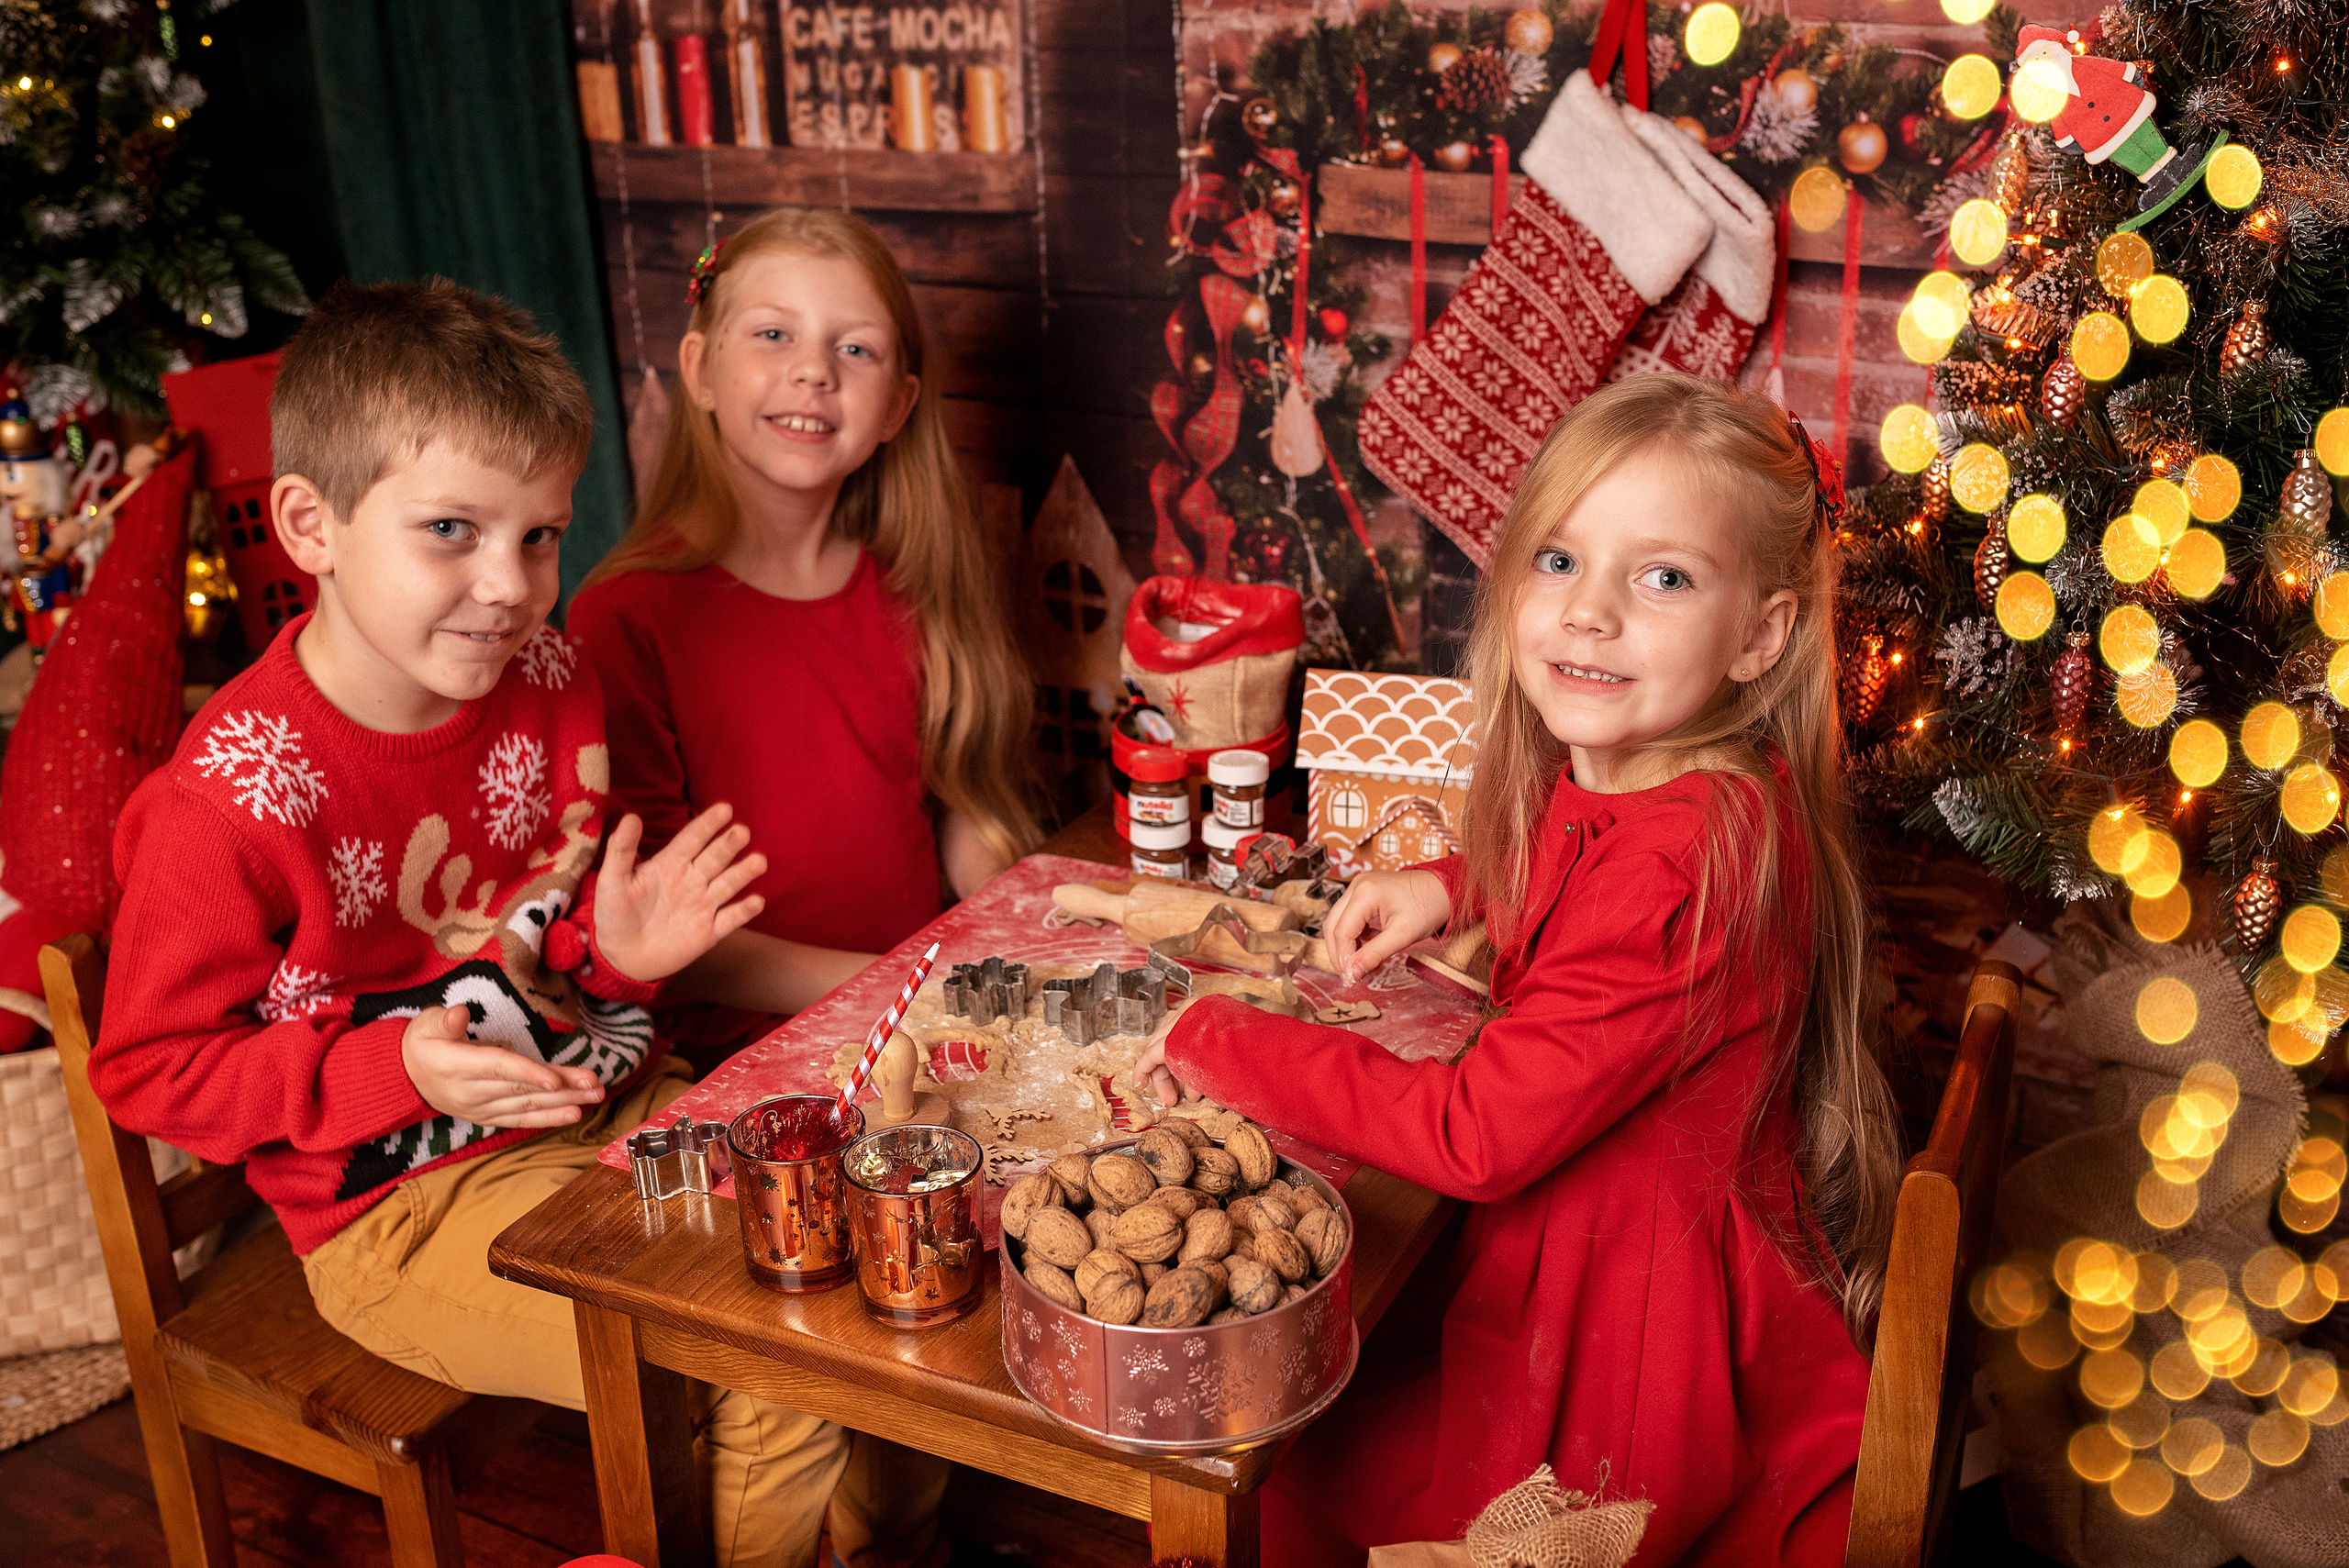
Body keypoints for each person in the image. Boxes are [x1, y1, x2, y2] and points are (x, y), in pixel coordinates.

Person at [91, 280, 941, 1568]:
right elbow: (148, 1072)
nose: (508, 585)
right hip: (405, 1207)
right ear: (311, 524)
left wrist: (621, 951)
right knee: (765, 1346)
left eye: (539, 536)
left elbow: (541, 944)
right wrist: (396, 1065)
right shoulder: (230, 802)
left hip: (618, 1107)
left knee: (903, 1217)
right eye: (451, 529)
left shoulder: (549, 683)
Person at [1139, 374, 1897, 1566]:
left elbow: (1474, 1133)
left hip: (1621, 1369)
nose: (1590, 613)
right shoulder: (1683, 788)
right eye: (1560, 559)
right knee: (1285, 1446)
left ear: (1762, 633)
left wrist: (1221, 1037)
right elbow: (1582, 874)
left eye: (1663, 577)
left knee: (1262, 1459)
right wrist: (1455, 883)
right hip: (1601, 1287)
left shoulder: (1685, 867)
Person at [571, 206, 1039, 1055]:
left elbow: (956, 801)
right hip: (746, 1056)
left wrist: (1005, 924)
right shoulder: (627, 619)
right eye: (774, 334)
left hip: (918, 1016)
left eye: (853, 348)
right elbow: (671, 938)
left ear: (897, 406)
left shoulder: (909, 584)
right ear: (701, 369)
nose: (814, 372)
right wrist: (906, 984)